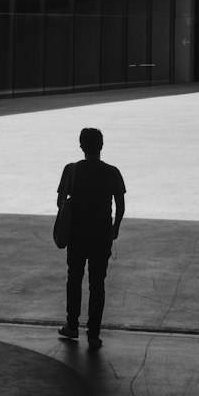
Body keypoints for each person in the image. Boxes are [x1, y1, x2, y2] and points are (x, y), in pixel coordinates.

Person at [56, 127, 125, 350]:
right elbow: (121, 205)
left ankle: (72, 325)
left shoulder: (72, 169)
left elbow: (60, 202)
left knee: (74, 278)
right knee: (97, 284)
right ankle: (93, 335)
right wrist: (115, 227)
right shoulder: (112, 171)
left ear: (81, 146)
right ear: (101, 146)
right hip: (101, 234)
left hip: (77, 234)